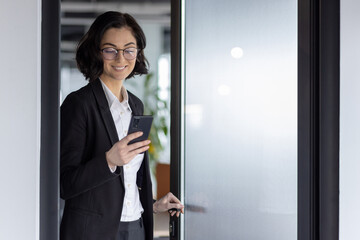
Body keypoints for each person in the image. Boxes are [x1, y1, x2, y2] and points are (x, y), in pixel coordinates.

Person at [60, 11, 184, 240]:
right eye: (110, 50)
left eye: (128, 50)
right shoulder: (78, 104)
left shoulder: (135, 106)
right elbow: (65, 184)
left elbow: (129, 180)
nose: (120, 59)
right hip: (94, 233)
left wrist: (154, 205)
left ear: (137, 53)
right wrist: (108, 160)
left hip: (135, 227)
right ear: (96, 52)